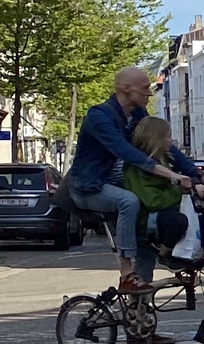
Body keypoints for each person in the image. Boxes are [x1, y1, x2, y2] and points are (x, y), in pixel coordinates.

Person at [68, 65, 195, 288]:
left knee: (145, 235)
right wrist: (169, 174)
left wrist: (197, 175)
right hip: (90, 188)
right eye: (145, 88)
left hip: (120, 185)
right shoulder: (99, 117)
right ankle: (126, 272)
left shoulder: (136, 116)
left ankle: (139, 306)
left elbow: (163, 146)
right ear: (126, 89)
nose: (149, 93)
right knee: (129, 201)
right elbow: (124, 151)